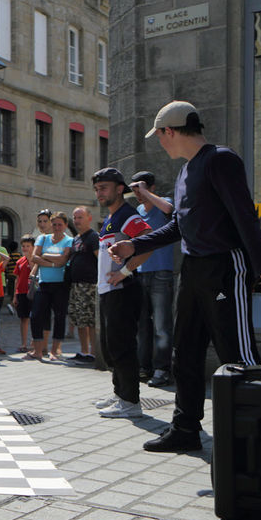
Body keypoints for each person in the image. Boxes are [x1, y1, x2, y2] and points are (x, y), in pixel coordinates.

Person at [110, 101, 261, 452]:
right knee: (185, 352)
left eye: (160, 137)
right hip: (194, 269)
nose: (160, 143)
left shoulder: (220, 160)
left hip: (225, 268)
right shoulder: (186, 172)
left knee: (237, 354)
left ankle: (251, 440)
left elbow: (247, 221)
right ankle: (185, 428)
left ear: (171, 131)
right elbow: (179, 227)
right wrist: (133, 246)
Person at [91, 168, 156, 419]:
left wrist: (126, 272)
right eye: (97, 189)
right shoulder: (111, 218)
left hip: (123, 289)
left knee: (122, 346)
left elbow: (148, 239)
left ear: (120, 189)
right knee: (111, 346)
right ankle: (120, 394)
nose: (99, 193)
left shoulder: (127, 215)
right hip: (109, 291)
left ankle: (130, 401)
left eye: (104, 188)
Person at [130, 170, 175, 387]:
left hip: (162, 272)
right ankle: (143, 367)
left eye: (140, 188)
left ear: (151, 187)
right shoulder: (138, 210)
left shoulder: (163, 201)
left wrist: (146, 192)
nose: (137, 194)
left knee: (161, 325)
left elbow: (169, 210)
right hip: (142, 272)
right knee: (142, 325)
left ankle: (162, 370)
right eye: (135, 190)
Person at [28, 212, 73, 361]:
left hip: (61, 285)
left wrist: (45, 256)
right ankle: (38, 350)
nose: (57, 227)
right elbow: (34, 257)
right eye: (54, 224)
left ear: (65, 225)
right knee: (36, 316)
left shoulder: (69, 241)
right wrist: (53, 263)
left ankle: (55, 350)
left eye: (60, 224)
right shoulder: (43, 238)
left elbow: (63, 260)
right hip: (44, 283)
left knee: (59, 316)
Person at [67, 207, 99, 363]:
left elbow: (101, 259)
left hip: (89, 285)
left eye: (80, 217)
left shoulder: (93, 237)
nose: (77, 221)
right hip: (76, 285)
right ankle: (84, 351)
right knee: (79, 319)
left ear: (89, 218)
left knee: (90, 320)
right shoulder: (76, 239)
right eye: (75, 218)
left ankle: (94, 352)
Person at [13, 236, 36, 353]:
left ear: (33, 247)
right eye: (23, 246)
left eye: (28, 246)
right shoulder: (19, 261)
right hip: (21, 292)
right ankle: (23, 343)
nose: (25, 248)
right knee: (23, 318)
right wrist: (15, 295)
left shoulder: (36, 260)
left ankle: (34, 342)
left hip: (32, 292)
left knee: (34, 318)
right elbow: (17, 279)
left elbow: (34, 272)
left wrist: (30, 259)